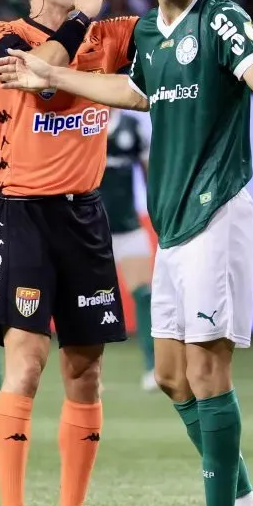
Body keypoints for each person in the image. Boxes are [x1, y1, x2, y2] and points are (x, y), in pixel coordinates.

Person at [0, 0, 253, 506]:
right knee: (54, 364)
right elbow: (41, 78)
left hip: (100, 215)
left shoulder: (117, 31)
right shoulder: (3, 35)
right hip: (29, 213)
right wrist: (79, 22)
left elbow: (188, 26)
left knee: (91, 368)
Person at [98, 109, 159, 391]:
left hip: (128, 227)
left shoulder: (132, 127)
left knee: (145, 294)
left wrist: (160, 214)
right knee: (90, 301)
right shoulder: (83, 121)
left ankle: (153, 367)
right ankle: (91, 373)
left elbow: (150, 175)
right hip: (90, 232)